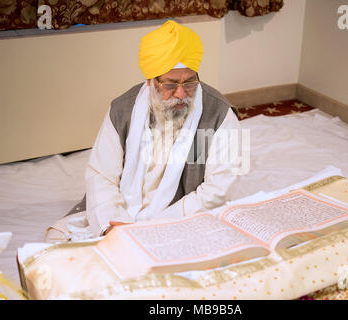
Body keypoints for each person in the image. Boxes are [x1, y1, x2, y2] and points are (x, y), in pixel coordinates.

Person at [45, 20, 245, 242]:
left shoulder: (219, 114)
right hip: (120, 210)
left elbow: (218, 189)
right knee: (59, 242)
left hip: (179, 214)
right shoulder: (122, 108)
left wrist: (154, 226)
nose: (181, 94)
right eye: (170, 84)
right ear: (150, 81)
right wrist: (113, 224)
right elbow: (101, 174)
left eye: (189, 82)